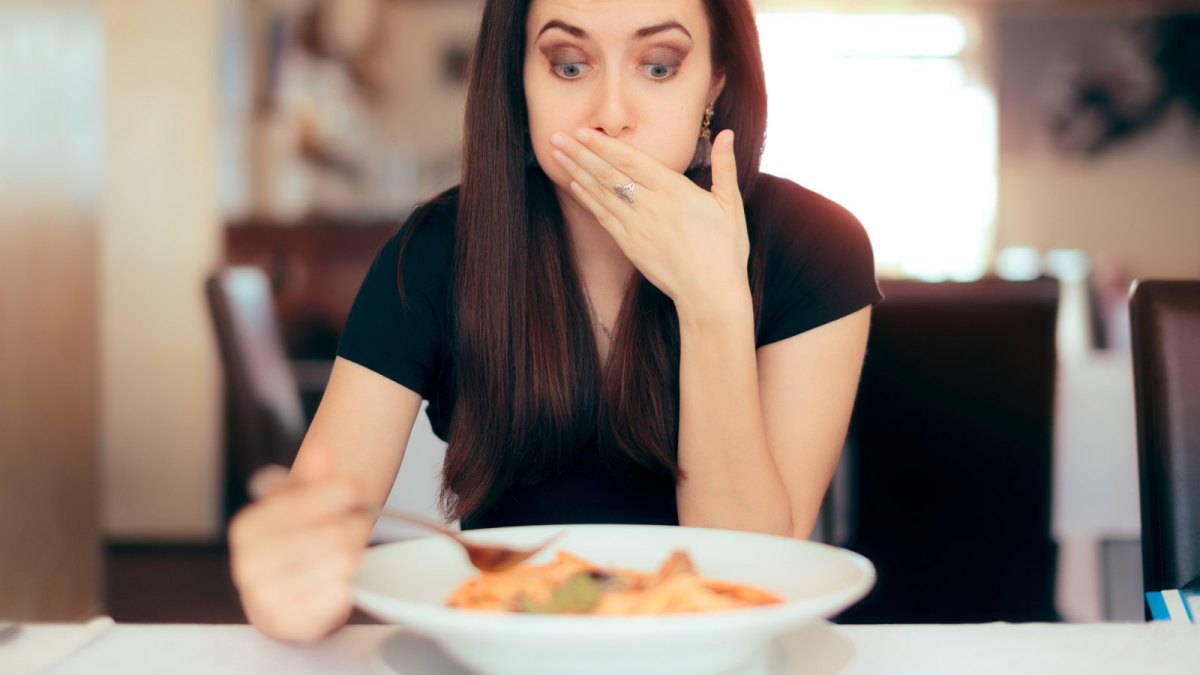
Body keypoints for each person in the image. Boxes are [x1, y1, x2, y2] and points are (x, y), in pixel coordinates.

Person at [229, 0, 881, 642]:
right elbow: (315, 534)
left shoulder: (815, 247)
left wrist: (712, 304)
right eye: (569, 65)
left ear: (714, 82)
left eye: (659, 66)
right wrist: (289, 580)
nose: (612, 116)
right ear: (520, 82)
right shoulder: (435, 252)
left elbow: (749, 574)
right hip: (503, 649)